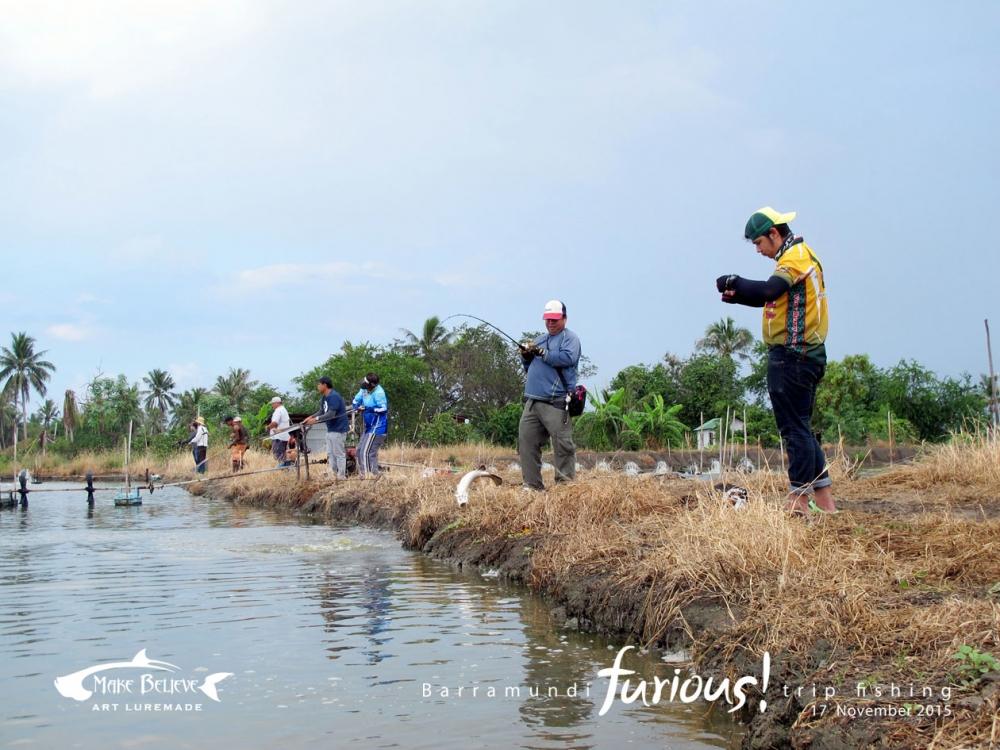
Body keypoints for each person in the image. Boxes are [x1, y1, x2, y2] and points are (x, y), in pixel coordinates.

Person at [716, 206, 835, 515]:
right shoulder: (801, 254)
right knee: (802, 428)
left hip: (794, 355)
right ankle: (825, 502)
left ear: (773, 234)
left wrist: (736, 280)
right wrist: (738, 294)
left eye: (759, 242)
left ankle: (798, 502)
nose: (758, 250)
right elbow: (770, 297)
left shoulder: (794, 258)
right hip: (805, 354)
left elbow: (769, 289)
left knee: (794, 431)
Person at [517, 299, 581, 491]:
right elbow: (529, 367)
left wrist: (542, 352)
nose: (551, 323)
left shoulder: (570, 339)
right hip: (533, 401)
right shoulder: (539, 339)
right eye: (548, 320)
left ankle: (565, 488)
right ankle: (532, 485)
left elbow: (567, 358)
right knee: (526, 443)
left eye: (555, 320)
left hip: (557, 402)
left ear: (564, 319)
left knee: (562, 446)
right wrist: (526, 356)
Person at [304, 376, 349, 479]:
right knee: (330, 453)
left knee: (339, 453)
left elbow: (331, 414)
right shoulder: (325, 397)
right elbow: (322, 411)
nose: (317, 386)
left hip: (338, 429)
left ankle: (341, 476)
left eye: (319, 384)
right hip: (331, 429)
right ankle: (332, 474)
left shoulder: (333, 396)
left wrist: (316, 419)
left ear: (325, 385)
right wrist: (311, 417)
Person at [351, 373, 388, 478]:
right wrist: (356, 406)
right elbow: (355, 400)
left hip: (378, 427)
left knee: (366, 452)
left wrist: (368, 409)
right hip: (368, 426)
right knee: (359, 451)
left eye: (366, 383)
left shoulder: (379, 393)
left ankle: (368, 477)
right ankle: (370, 474)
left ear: (372, 385)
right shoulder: (363, 389)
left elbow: (383, 408)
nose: (363, 384)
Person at [267, 396, 292, 465]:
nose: (272, 406)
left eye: (272, 404)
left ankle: (282, 471)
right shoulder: (284, 410)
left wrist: (268, 427)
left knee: (278, 456)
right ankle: (286, 471)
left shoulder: (278, 410)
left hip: (278, 437)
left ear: (277, 403)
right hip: (284, 437)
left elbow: (275, 423)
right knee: (284, 456)